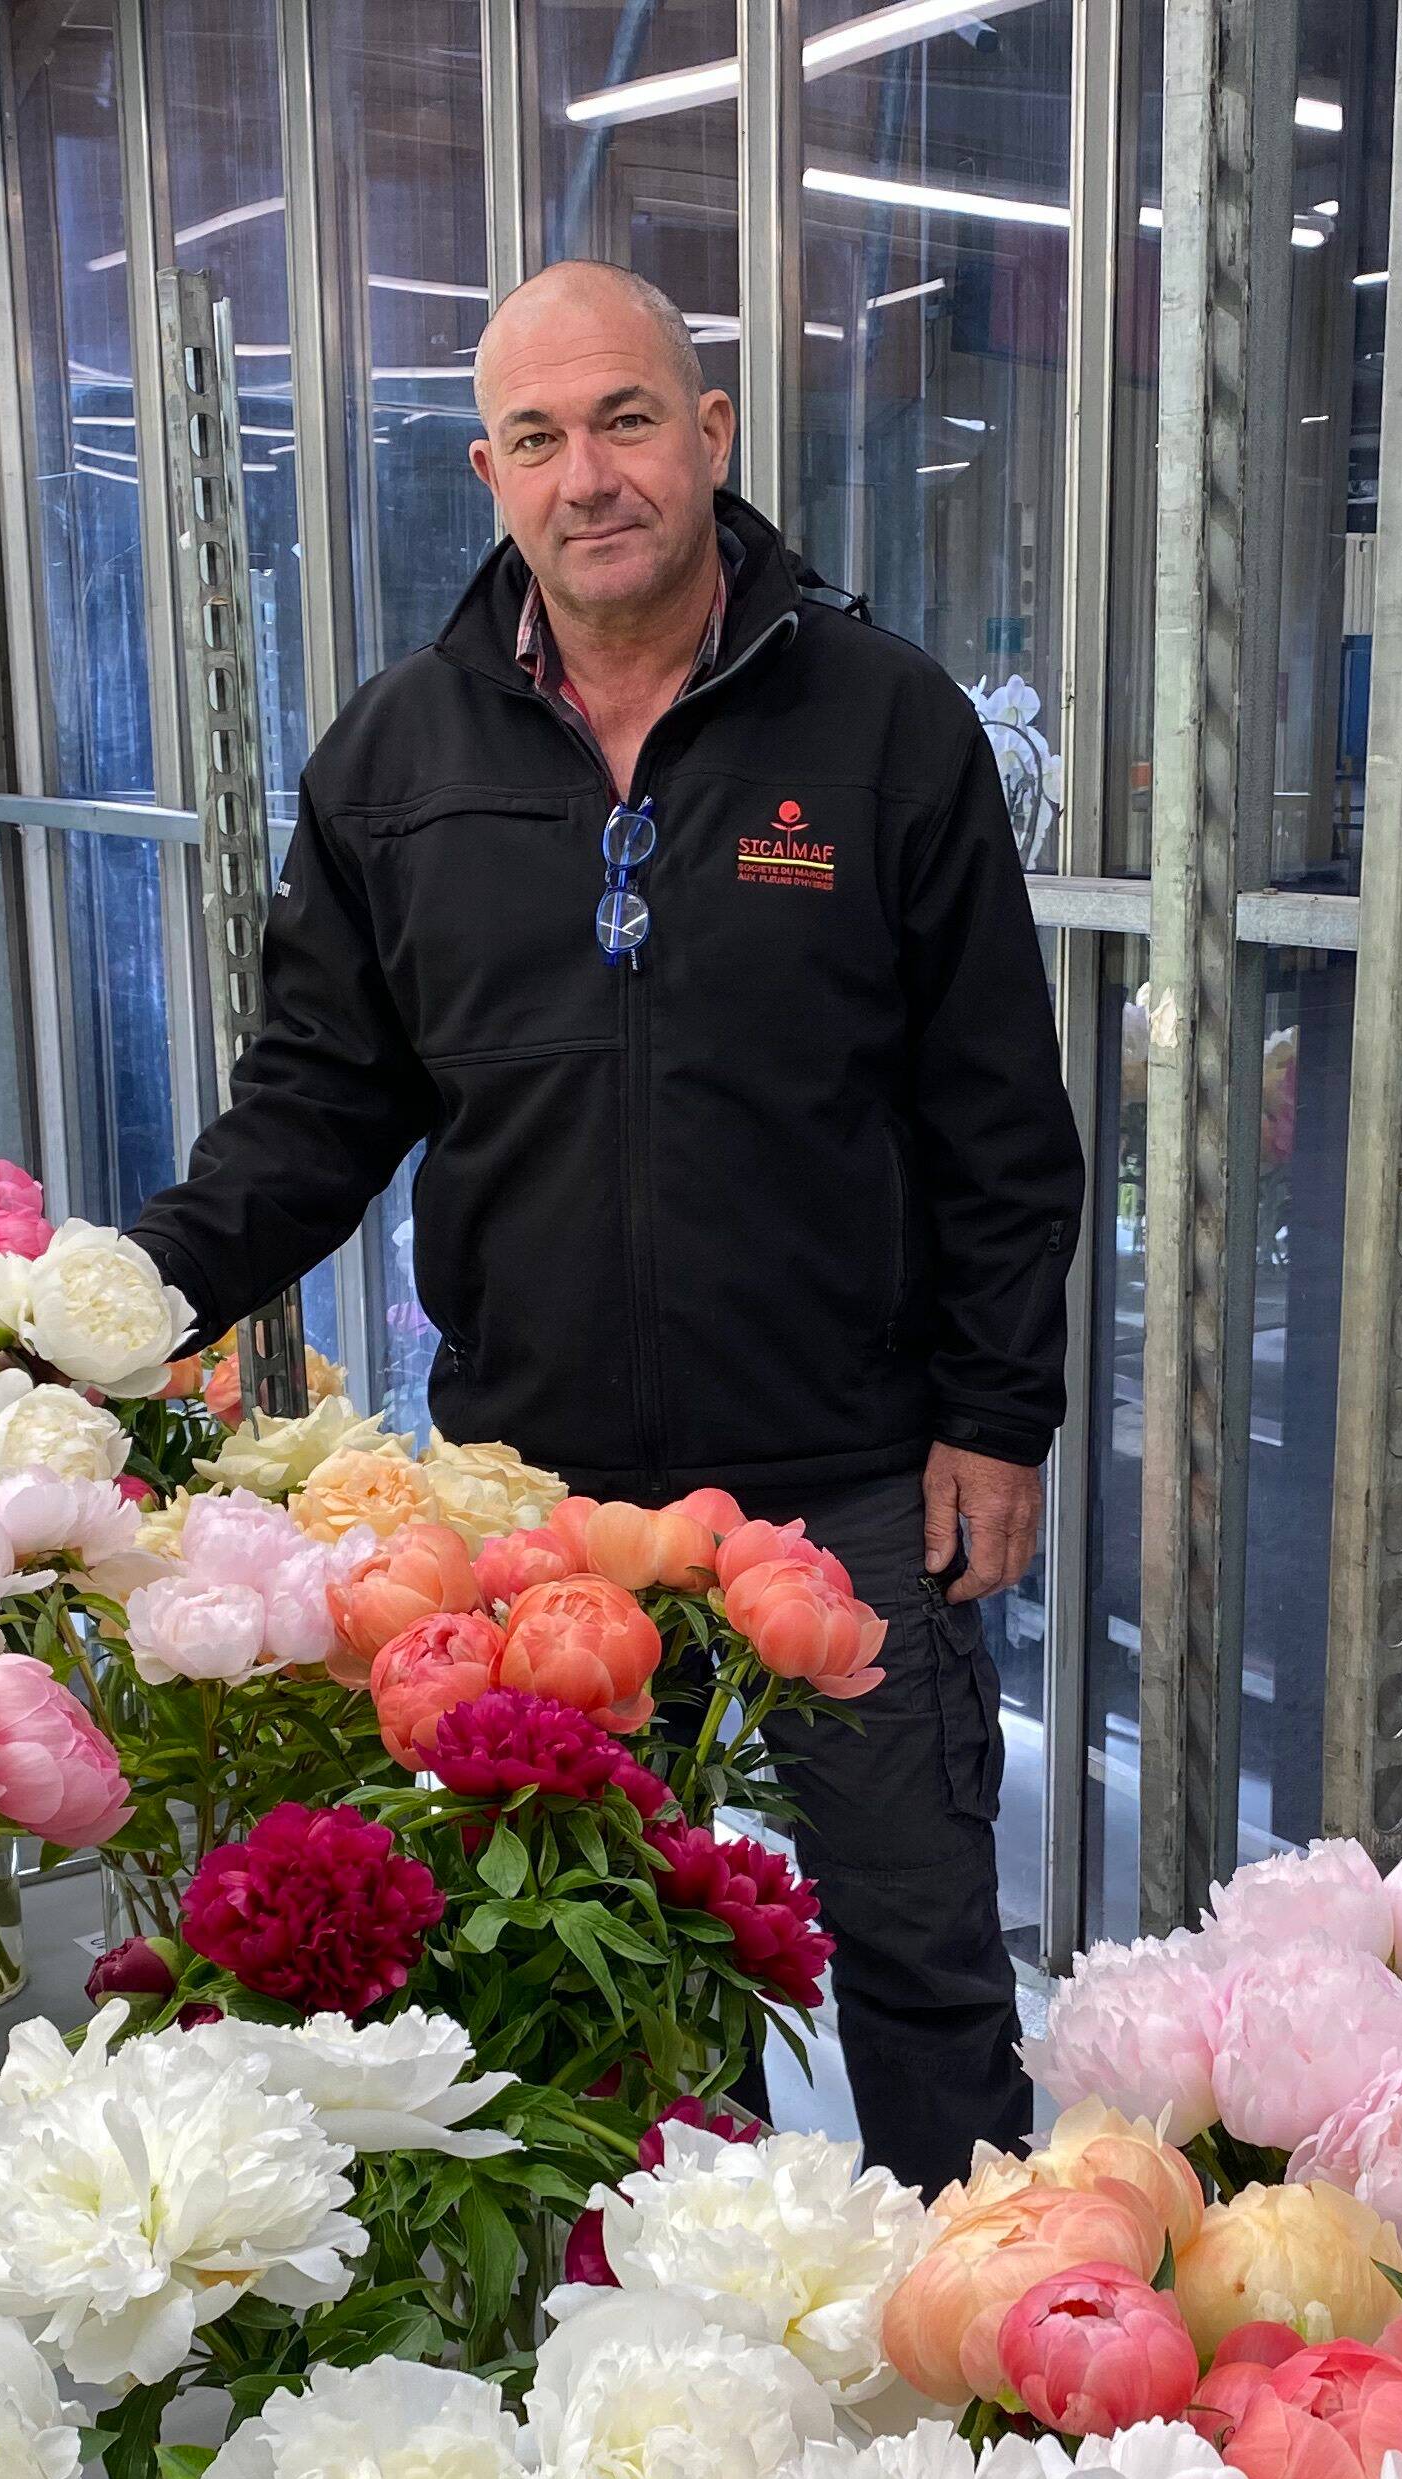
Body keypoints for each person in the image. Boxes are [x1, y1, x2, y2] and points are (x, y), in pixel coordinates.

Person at [123, 260, 1083, 2191]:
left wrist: (998, 1412)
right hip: (536, 1495)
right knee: (605, 1965)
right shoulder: (399, 764)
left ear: (711, 438)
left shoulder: (885, 729)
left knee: (914, 1949)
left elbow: (995, 1108)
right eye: (541, 439)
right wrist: (128, 1294)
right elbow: (319, 1103)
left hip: (850, 1479)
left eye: (630, 421)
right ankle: (657, 2380)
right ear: (489, 472)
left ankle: (975, 2379)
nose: (592, 476)